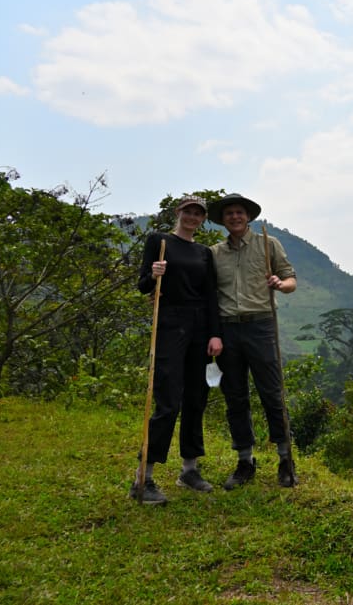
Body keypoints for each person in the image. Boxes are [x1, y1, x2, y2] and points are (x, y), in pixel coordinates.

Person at [131, 195, 223, 505]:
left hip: (199, 328)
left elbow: (210, 295)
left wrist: (215, 334)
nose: (192, 217)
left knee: (196, 398)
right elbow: (143, 286)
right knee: (168, 401)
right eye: (188, 212)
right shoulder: (159, 241)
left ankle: (189, 470)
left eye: (198, 214)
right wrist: (154, 274)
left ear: (202, 219)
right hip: (170, 324)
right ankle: (143, 478)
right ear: (178, 213)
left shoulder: (204, 253)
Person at [207, 193, 299, 489]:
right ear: (223, 220)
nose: (235, 217)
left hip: (261, 325)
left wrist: (280, 284)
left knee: (272, 392)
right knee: (235, 396)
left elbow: (291, 280)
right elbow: (206, 292)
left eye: (239, 212)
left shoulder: (268, 244)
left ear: (248, 217)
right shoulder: (214, 253)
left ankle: (285, 459)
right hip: (227, 329)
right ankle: (245, 461)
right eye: (229, 213)